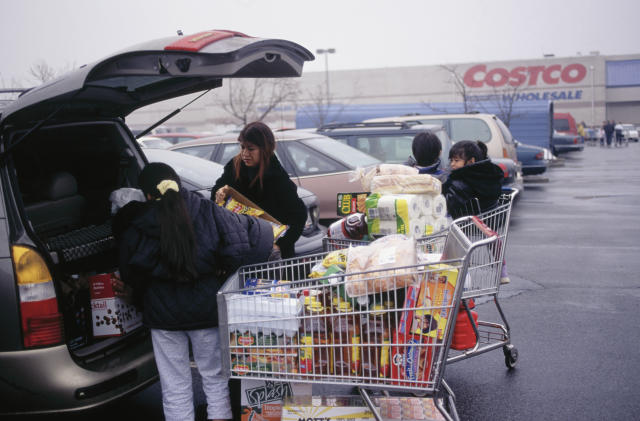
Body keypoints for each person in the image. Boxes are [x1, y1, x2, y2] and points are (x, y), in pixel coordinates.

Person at [113, 162, 274, 421]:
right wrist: (222, 272)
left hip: (162, 317)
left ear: (147, 195)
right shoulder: (207, 210)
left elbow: (131, 272)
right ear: (178, 182)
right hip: (206, 312)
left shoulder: (136, 223)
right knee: (214, 379)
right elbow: (241, 246)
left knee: (174, 385)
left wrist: (139, 294)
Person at [212, 121, 307, 259]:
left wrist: (280, 244)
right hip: (242, 246)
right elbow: (218, 190)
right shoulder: (234, 166)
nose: (245, 153)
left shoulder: (277, 176)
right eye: (242, 147)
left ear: (265, 149)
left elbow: (299, 215)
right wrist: (218, 192)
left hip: (272, 253)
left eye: (251, 149)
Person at [442, 140, 511, 284]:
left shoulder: (460, 180)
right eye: (451, 160)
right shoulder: (489, 172)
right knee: (492, 236)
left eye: (456, 160)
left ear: (471, 161)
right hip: (492, 217)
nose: (452, 164)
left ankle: (456, 267)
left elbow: (451, 202)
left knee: (451, 233)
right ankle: (502, 269)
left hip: (469, 220)